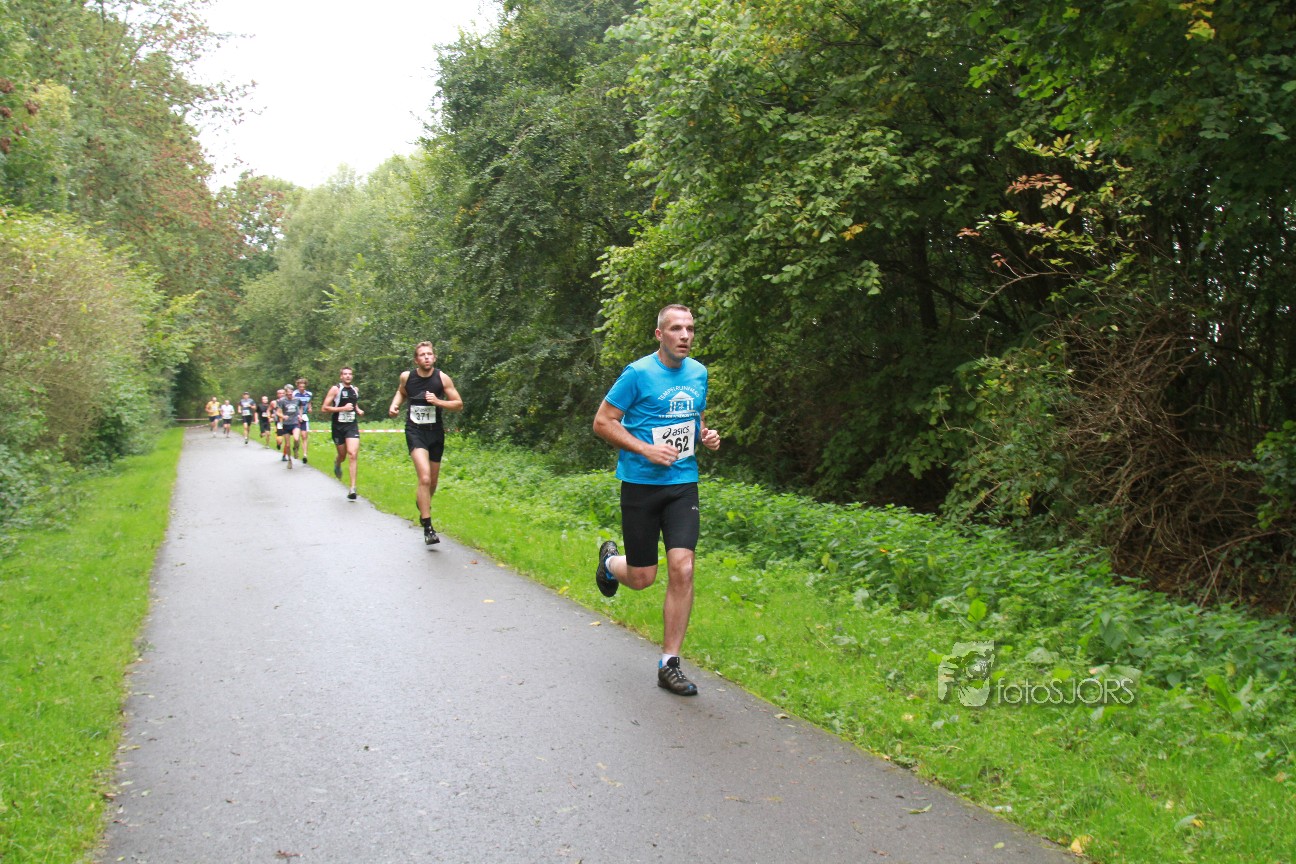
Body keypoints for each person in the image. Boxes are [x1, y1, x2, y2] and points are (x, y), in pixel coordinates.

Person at [592, 304, 721, 696]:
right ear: (659, 334)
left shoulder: (698, 373)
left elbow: (694, 416)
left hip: (682, 483)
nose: (685, 335)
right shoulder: (637, 374)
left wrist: (705, 435)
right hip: (640, 485)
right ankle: (610, 563)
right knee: (643, 577)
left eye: (690, 329)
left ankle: (670, 664)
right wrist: (646, 449)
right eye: (676, 328)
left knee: (683, 567)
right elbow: (603, 422)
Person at [388, 342, 463, 545]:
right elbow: (401, 392)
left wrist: (438, 402)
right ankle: (428, 527)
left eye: (430, 354)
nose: (427, 357)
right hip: (415, 432)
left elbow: (458, 404)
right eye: (422, 355)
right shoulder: (407, 377)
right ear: (416, 360)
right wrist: (394, 406)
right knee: (425, 477)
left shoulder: (442, 378)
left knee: (433, 482)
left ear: (434, 358)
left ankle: (422, 504)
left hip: (435, 433)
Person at [322, 366, 364, 500]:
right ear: (341, 376)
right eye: (345, 374)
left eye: (350, 374)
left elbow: (353, 403)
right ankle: (337, 462)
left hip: (351, 426)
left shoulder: (355, 390)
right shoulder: (336, 389)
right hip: (338, 427)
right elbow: (324, 408)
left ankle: (352, 488)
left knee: (352, 454)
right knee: (343, 455)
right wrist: (343, 408)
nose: (348, 376)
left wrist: (358, 410)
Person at [275, 387, 302, 469]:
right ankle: (289, 460)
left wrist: (300, 415)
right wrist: (283, 416)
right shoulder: (282, 401)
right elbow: (277, 412)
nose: (290, 394)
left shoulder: (297, 400)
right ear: (286, 393)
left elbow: (301, 407)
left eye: (291, 392)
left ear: (293, 392)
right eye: (288, 392)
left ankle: (295, 449)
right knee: (287, 445)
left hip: (295, 422)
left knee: (296, 439)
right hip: (286, 424)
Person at [292, 378, 313, 463]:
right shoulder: (294, 394)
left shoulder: (309, 394)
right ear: (298, 386)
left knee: (304, 436)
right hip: (295, 417)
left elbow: (309, 402)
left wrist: (310, 408)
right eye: (300, 387)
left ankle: (305, 455)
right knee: (296, 438)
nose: (302, 388)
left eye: (303, 387)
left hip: (304, 416)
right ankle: (295, 448)